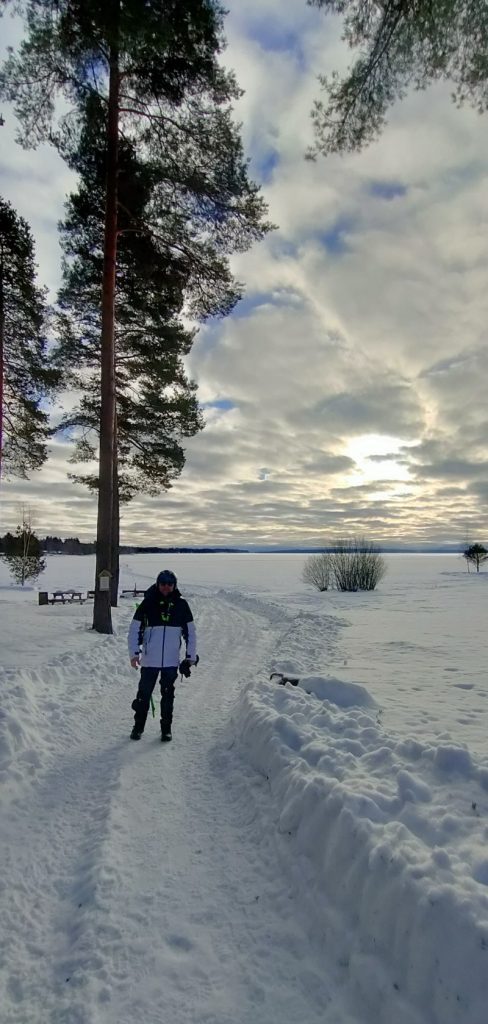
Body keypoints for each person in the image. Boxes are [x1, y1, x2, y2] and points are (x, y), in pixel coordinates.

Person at [127, 569, 197, 742]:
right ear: (158, 584)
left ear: (174, 585)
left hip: (170, 662)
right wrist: (134, 654)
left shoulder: (182, 605)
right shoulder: (148, 603)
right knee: (143, 695)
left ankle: (166, 729)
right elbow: (134, 629)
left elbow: (191, 632)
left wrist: (190, 657)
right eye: (163, 583)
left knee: (167, 696)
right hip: (150, 660)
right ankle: (138, 727)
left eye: (169, 584)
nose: (166, 587)